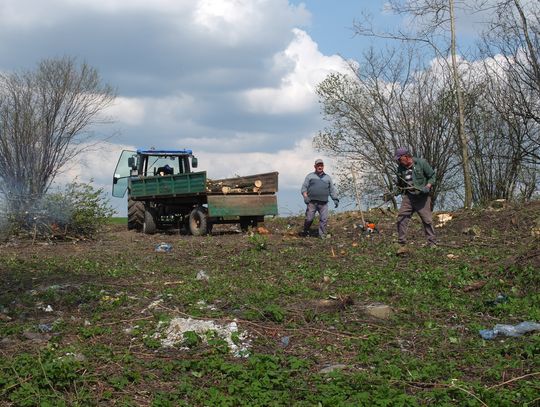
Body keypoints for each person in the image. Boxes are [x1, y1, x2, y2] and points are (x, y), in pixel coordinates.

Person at [394, 147, 437, 246]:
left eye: (400, 159)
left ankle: (432, 243)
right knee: (401, 218)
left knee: (427, 220)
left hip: (422, 197)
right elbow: (400, 185)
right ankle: (401, 242)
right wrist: (395, 192)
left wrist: (428, 186)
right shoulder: (400, 168)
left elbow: (432, 176)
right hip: (409, 197)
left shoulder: (421, 163)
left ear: (406, 156)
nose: (399, 161)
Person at [301, 159, 339, 238]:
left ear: (323, 166)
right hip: (312, 202)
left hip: (323, 203)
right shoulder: (310, 176)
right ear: (315, 166)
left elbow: (332, 189)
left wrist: (335, 199)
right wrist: (305, 197)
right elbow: (304, 188)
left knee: (324, 219)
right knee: (309, 219)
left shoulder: (328, 178)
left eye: (321, 165)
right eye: (318, 165)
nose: (320, 167)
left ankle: (322, 235)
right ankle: (306, 230)